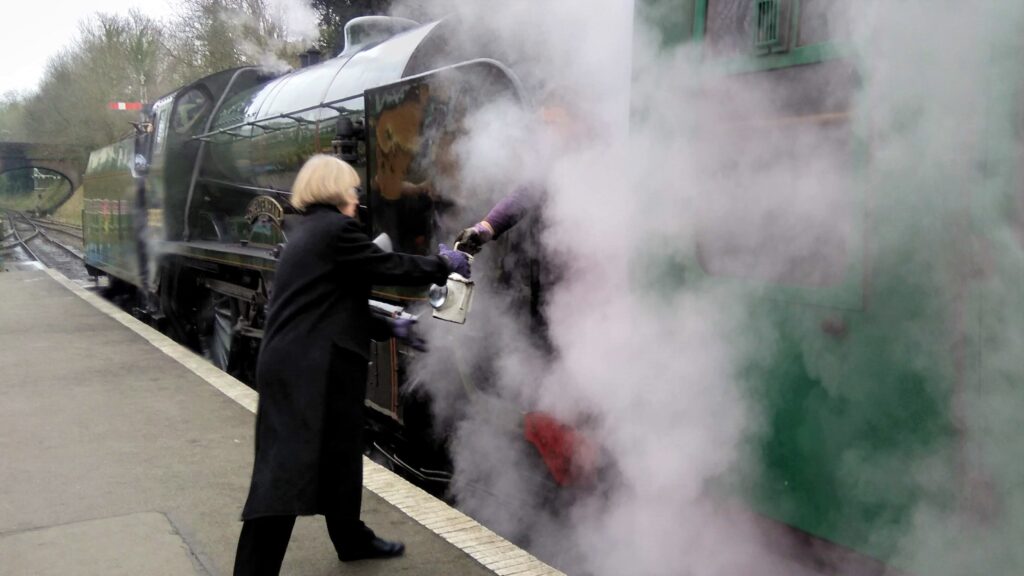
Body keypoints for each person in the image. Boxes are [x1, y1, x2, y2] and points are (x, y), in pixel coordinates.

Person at [233, 154, 470, 576]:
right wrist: (440, 266)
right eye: (353, 188)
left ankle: (350, 538)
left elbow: (333, 302)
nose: (358, 196)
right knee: (284, 472)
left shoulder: (310, 232)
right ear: (335, 189)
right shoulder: (335, 229)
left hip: (311, 362)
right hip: (308, 369)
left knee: (341, 455)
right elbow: (388, 266)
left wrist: (388, 325)